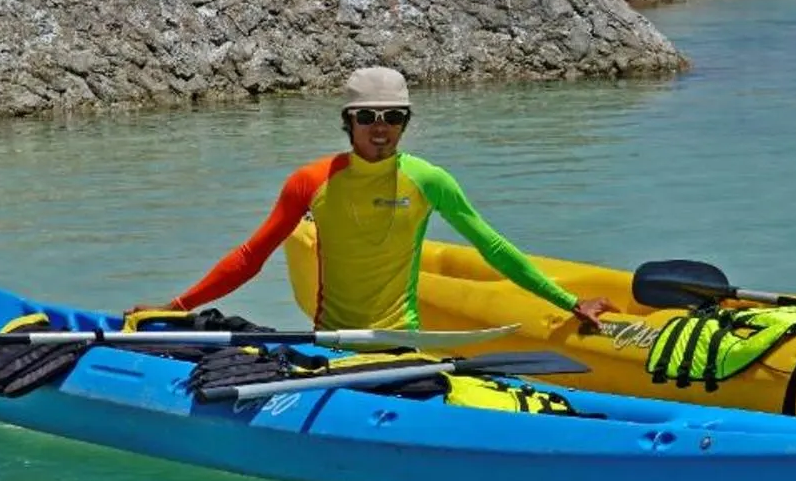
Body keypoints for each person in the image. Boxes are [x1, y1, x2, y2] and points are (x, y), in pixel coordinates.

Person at [162, 67, 612, 333]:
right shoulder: (311, 181)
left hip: (404, 344)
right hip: (334, 345)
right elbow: (251, 255)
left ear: (406, 121)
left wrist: (570, 303)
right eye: (367, 117)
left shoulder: (428, 180)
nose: (381, 127)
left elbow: (493, 248)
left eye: (393, 116)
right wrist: (177, 307)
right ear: (348, 121)